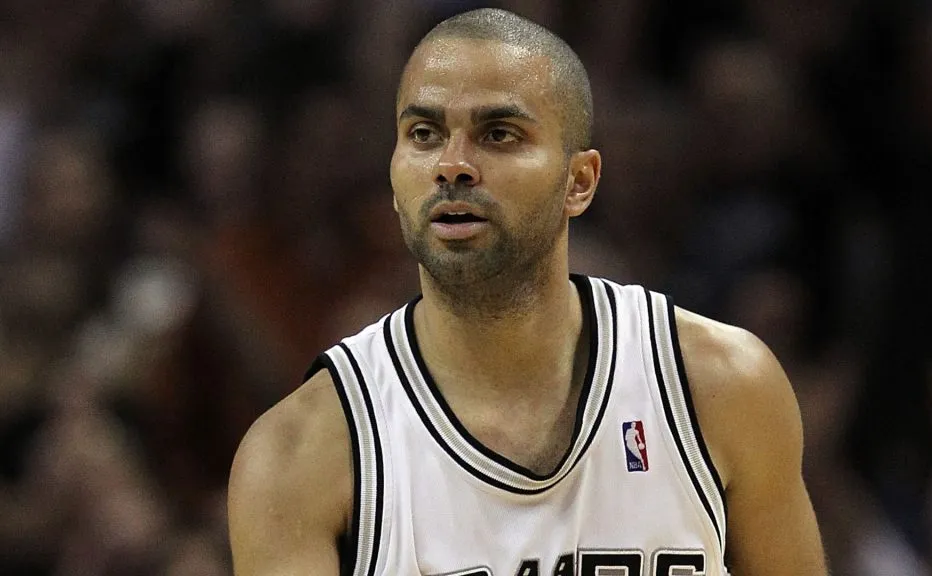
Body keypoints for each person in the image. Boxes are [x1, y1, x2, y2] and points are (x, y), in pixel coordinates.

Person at [227, 8, 827, 576]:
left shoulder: (720, 386)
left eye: (498, 133)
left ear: (580, 181)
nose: (453, 165)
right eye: (425, 133)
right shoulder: (301, 457)